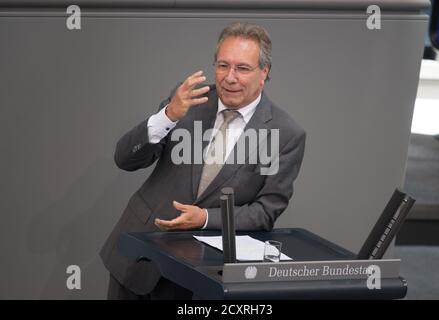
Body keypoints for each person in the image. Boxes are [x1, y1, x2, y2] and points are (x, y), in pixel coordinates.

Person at [100, 22, 306, 299]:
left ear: (264, 72)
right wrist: (168, 115)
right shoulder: (187, 102)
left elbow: (265, 212)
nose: (229, 78)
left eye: (242, 68)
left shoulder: (285, 134)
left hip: (197, 277)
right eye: (223, 66)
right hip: (138, 255)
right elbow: (125, 158)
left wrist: (206, 217)